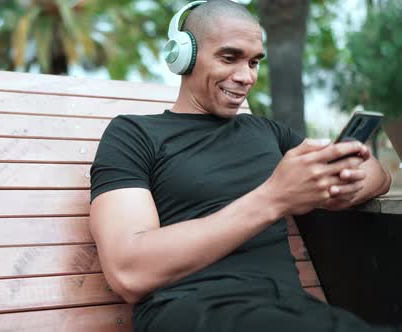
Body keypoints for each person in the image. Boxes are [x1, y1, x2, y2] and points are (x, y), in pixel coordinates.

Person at [89, 0, 395, 331]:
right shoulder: (133, 134)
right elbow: (127, 271)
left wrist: (344, 183)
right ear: (183, 55)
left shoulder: (267, 131)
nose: (246, 76)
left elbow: (379, 175)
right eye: (229, 57)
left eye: (254, 62)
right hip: (192, 308)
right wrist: (274, 198)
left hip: (290, 309)